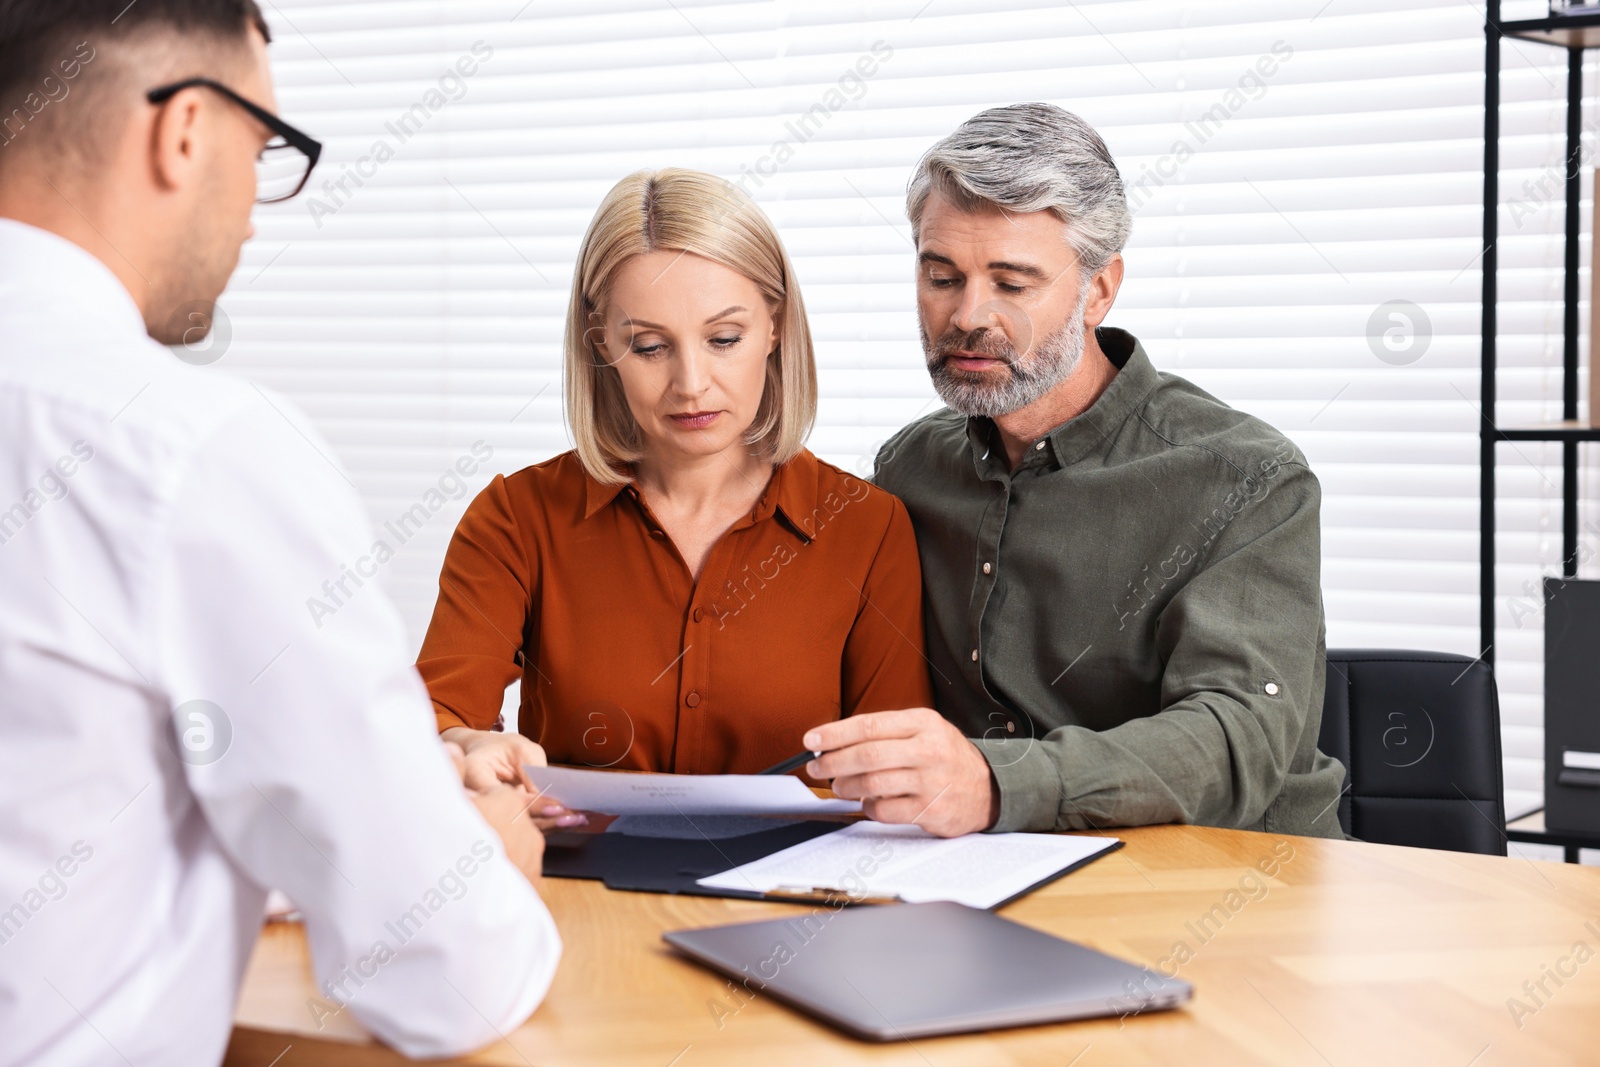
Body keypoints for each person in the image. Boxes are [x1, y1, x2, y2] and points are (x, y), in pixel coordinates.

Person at [0, 3, 562, 1063]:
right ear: (185, 133)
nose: (255, 215)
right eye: (263, 151)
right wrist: (477, 852)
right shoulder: (185, 448)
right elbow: (447, 972)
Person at [805, 103, 1346, 839]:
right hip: (984, 884)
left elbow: (1237, 736)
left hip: (1231, 894)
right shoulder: (910, 468)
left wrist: (998, 784)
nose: (968, 315)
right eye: (941, 276)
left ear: (1098, 289)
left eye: (1012, 282)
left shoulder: (1245, 477)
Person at [418, 168, 933, 789]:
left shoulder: (868, 528)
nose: (691, 384)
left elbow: (896, 768)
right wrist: (461, 745)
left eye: (723, 338)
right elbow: (435, 719)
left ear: (775, 325)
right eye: (649, 347)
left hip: (790, 885)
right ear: (600, 344)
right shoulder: (515, 518)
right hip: (574, 884)